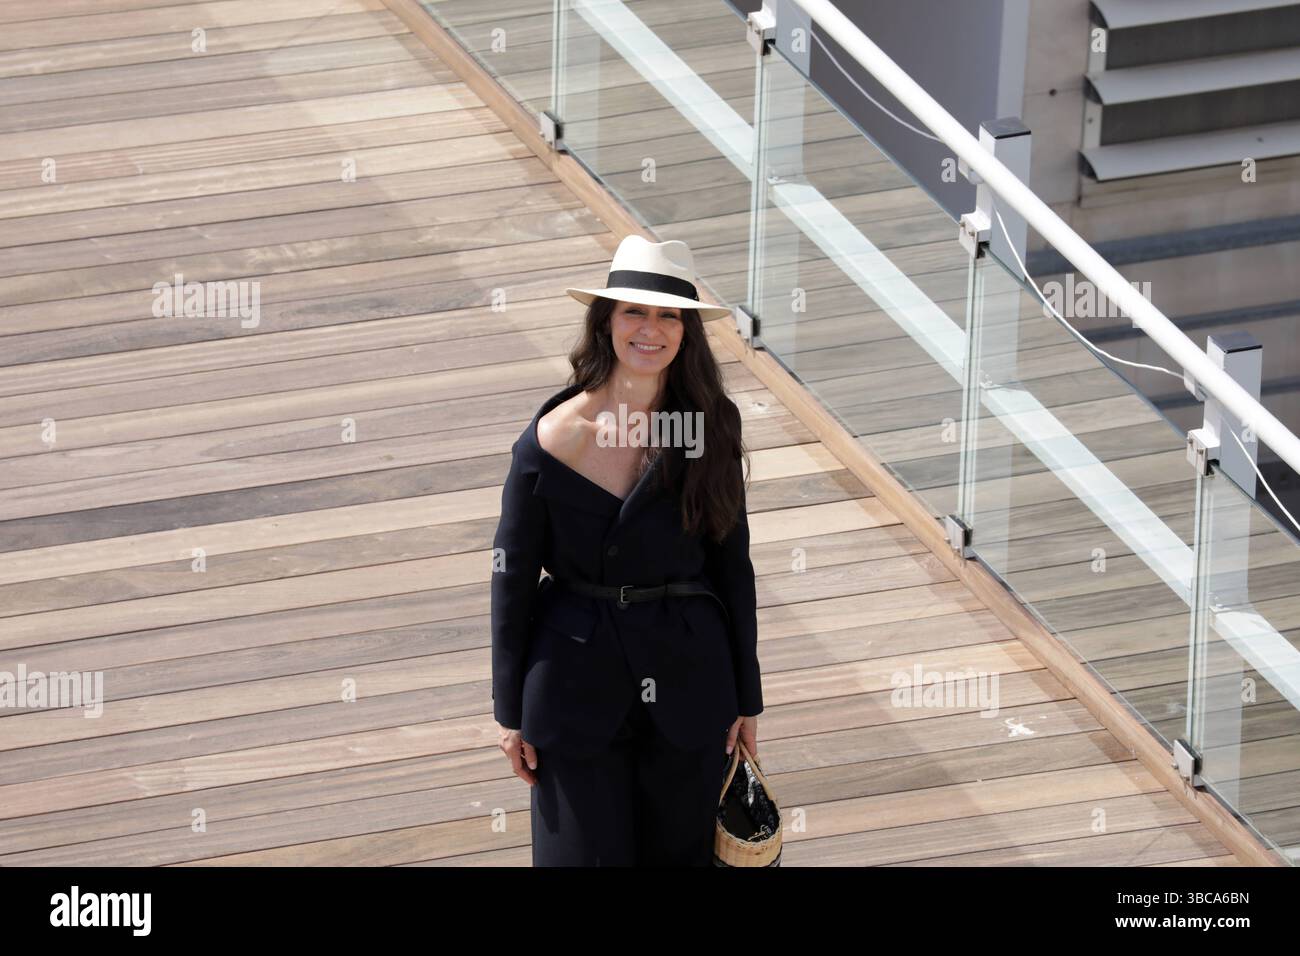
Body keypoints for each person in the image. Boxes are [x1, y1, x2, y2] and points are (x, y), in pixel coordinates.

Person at [490, 234, 764, 866]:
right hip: (572, 687)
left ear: (686, 332)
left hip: (691, 684)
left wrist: (747, 699)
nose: (652, 329)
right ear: (606, 322)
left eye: (669, 315)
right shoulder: (551, 440)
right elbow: (511, 580)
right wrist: (509, 712)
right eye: (635, 312)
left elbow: (733, 566)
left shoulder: (709, 425)